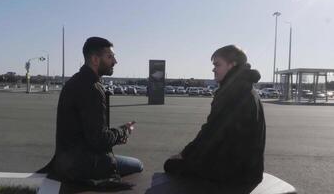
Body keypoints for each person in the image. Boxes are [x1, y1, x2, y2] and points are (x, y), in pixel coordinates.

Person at [37, 37, 143, 186]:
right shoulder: (92, 88)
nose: (115, 61)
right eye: (110, 56)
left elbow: (90, 133)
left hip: (66, 160)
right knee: (137, 165)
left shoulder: (75, 81)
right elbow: (98, 140)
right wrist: (123, 132)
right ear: (94, 59)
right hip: (81, 165)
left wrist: (116, 134)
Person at [164, 45, 266, 191]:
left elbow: (211, 132)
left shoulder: (232, 91)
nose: (213, 69)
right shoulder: (246, 87)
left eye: (217, 64)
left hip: (235, 172)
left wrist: (184, 154)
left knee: (170, 165)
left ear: (232, 65)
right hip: (250, 169)